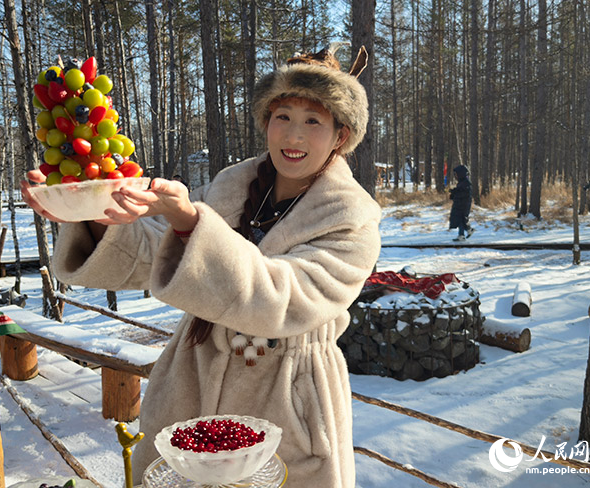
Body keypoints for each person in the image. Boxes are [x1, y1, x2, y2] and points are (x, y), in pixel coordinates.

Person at [22, 47, 380, 487]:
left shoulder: (352, 216)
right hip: (192, 380)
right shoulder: (234, 185)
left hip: (288, 399)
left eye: (313, 122)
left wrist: (191, 223)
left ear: (340, 136)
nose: (294, 136)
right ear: (266, 121)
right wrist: (94, 211)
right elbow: (162, 260)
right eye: (282, 116)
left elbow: (282, 299)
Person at [449, 165, 473, 241]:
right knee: (461, 219)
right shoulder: (462, 182)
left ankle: (462, 234)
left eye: (456, 174)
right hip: (460, 204)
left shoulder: (466, 183)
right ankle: (467, 231)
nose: (455, 176)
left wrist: (456, 193)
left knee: (461, 218)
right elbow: (460, 192)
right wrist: (454, 193)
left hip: (463, 205)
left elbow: (465, 194)